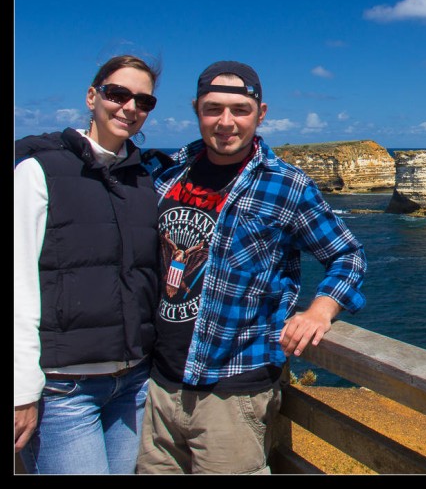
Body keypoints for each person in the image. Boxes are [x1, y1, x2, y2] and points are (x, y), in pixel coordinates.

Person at [135, 60, 367, 474]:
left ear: (260, 114)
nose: (226, 122)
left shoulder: (285, 184)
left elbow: (347, 255)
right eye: (213, 108)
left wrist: (320, 310)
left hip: (231, 392)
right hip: (156, 385)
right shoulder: (167, 172)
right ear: (196, 110)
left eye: (240, 110)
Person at [14, 54, 162, 474]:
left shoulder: (143, 180)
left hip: (132, 382)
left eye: (144, 101)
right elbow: (17, 282)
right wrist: (21, 390)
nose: (130, 108)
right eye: (118, 94)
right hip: (64, 389)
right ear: (92, 96)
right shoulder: (38, 170)